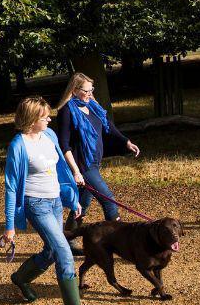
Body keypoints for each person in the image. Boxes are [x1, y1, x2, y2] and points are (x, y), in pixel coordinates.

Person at [3, 96, 96, 305]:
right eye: (44, 116)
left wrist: (72, 199)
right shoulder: (19, 145)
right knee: (64, 251)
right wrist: (10, 225)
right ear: (32, 119)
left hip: (55, 201)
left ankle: (21, 278)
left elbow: (60, 171)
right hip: (36, 205)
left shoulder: (50, 136)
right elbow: (12, 186)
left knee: (52, 251)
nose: (49, 118)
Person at [55, 73, 140, 222]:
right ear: (74, 90)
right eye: (86, 91)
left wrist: (126, 142)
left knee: (83, 203)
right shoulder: (67, 111)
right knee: (109, 200)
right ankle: (115, 237)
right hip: (83, 165)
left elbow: (109, 127)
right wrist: (76, 172)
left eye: (91, 90)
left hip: (95, 161)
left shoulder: (93, 106)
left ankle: (69, 235)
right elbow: (64, 145)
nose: (89, 94)